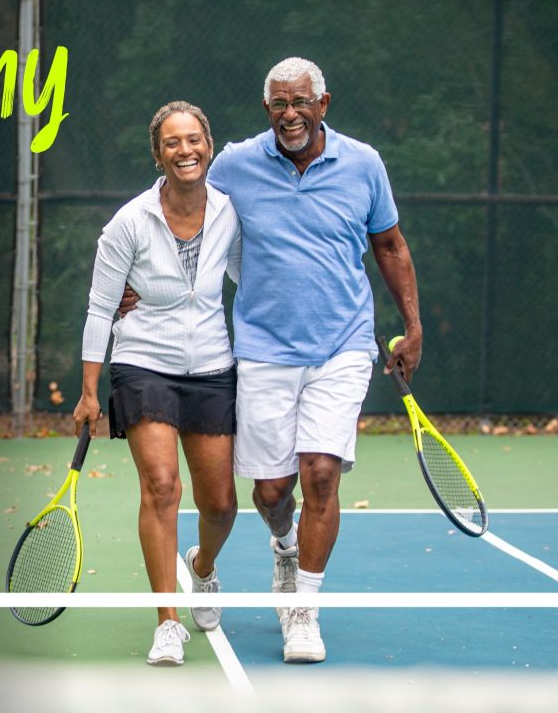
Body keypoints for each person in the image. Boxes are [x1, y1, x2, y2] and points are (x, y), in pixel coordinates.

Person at [121, 58, 422, 663]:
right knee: (270, 491)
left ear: (324, 104)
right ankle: (281, 542)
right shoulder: (233, 164)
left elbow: (388, 244)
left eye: (301, 102)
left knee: (321, 474)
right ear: (268, 110)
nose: (290, 114)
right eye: (279, 104)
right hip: (260, 350)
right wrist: (136, 276)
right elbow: (178, 202)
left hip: (343, 346)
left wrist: (412, 328)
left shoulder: (364, 164)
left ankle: (302, 609)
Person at [72, 101, 242, 667]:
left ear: (209, 146)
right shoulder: (129, 222)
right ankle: (168, 621)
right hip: (144, 362)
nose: (185, 150)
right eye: (173, 142)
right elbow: (100, 307)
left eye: (194, 139)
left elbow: (251, 275)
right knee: (162, 487)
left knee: (219, 504)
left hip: (213, 365)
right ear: (158, 154)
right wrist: (90, 390)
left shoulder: (230, 212)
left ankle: (203, 568)